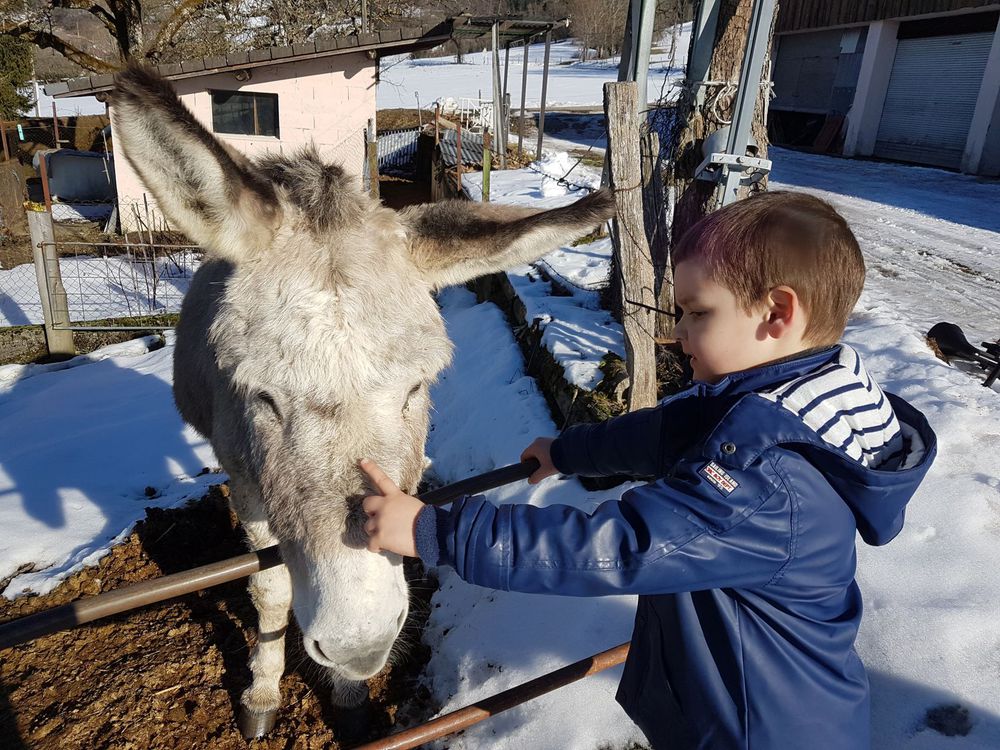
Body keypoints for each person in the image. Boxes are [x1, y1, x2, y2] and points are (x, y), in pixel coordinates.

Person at [359, 191, 937, 750]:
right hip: (737, 705)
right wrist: (569, 452)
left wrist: (435, 530)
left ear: (777, 313)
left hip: (758, 731)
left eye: (697, 312)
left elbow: (622, 548)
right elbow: (663, 435)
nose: (677, 331)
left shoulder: (769, 482)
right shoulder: (769, 402)